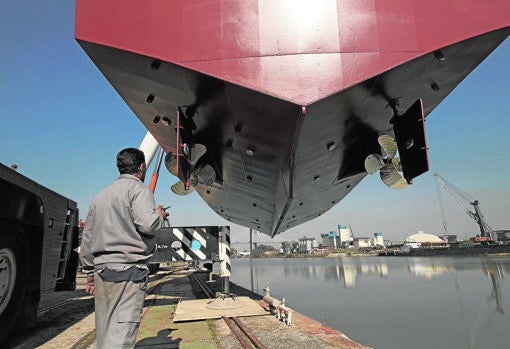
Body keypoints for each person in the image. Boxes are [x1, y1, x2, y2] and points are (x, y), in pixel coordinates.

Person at [79, 148, 169, 349]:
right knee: (121, 334)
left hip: (102, 272)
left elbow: (88, 238)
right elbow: (147, 224)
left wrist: (89, 272)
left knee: (104, 332)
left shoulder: (100, 196)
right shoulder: (139, 190)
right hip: (129, 273)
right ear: (141, 167)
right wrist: (159, 215)